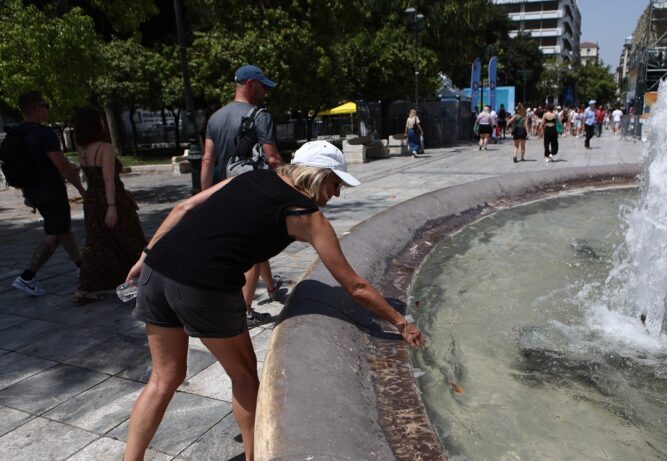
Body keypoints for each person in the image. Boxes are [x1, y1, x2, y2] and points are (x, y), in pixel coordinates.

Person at [122, 141, 426, 461]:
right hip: (204, 285)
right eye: (336, 184)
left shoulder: (250, 176)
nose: (336, 194)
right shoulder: (305, 215)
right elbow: (354, 284)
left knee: (163, 378)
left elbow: (183, 208)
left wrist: (145, 256)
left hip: (157, 269)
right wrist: (401, 322)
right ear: (318, 175)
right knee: (244, 376)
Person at [201, 64, 284, 327]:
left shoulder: (215, 118)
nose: (265, 92)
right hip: (253, 191)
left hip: (226, 191)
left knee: (257, 244)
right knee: (254, 248)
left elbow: (206, 160)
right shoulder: (259, 115)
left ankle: (271, 288)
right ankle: (245, 312)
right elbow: (272, 158)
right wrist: (289, 186)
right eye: (262, 86)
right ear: (250, 84)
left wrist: (205, 197)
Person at [11, 91, 86, 296]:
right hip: (51, 191)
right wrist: (80, 188)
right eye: (45, 106)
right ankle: (27, 276)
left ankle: (81, 266)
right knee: (53, 235)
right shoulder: (44, 134)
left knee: (63, 228)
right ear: (36, 109)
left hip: (34, 191)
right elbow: (62, 165)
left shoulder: (20, 133)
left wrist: (28, 194)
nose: (47, 110)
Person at [73, 106, 147, 303]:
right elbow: (108, 180)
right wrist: (112, 207)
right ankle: (147, 278)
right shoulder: (104, 148)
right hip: (110, 200)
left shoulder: (81, 149)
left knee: (96, 244)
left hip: (92, 200)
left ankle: (85, 287)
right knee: (132, 239)